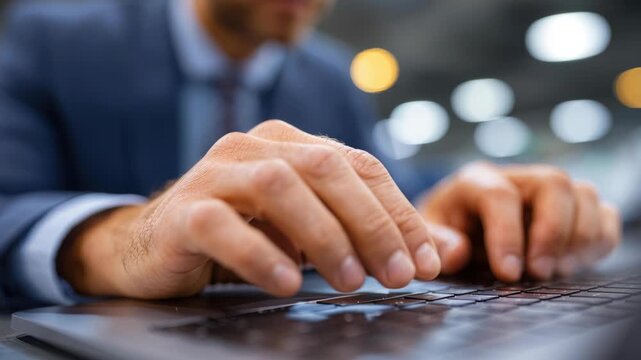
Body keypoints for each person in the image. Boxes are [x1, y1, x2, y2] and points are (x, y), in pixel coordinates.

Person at [0, 0, 620, 306]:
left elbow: (385, 179)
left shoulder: (330, 76)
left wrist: (456, 197)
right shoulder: (52, 37)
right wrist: (125, 238)